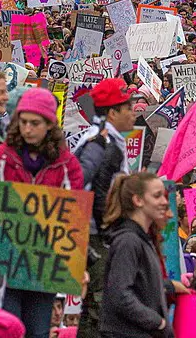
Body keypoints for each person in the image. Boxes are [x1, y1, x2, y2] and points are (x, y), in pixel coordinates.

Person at [0, 89, 84, 338]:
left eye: (35, 123)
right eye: (23, 122)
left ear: (50, 124)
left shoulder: (67, 165)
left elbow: (72, 217)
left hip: (44, 266)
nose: (27, 129)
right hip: (7, 263)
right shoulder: (1, 158)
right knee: (6, 327)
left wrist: (76, 264)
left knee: (38, 332)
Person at [75, 78, 135, 338]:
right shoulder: (104, 144)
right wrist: (106, 230)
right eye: (128, 108)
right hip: (94, 236)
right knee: (98, 301)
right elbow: (97, 190)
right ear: (112, 112)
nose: (134, 114)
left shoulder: (102, 138)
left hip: (92, 232)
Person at [100, 172, 173, 338]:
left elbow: (143, 286)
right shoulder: (129, 241)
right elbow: (120, 294)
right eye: (157, 196)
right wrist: (157, 322)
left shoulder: (141, 239)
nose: (164, 202)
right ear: (138, 200)